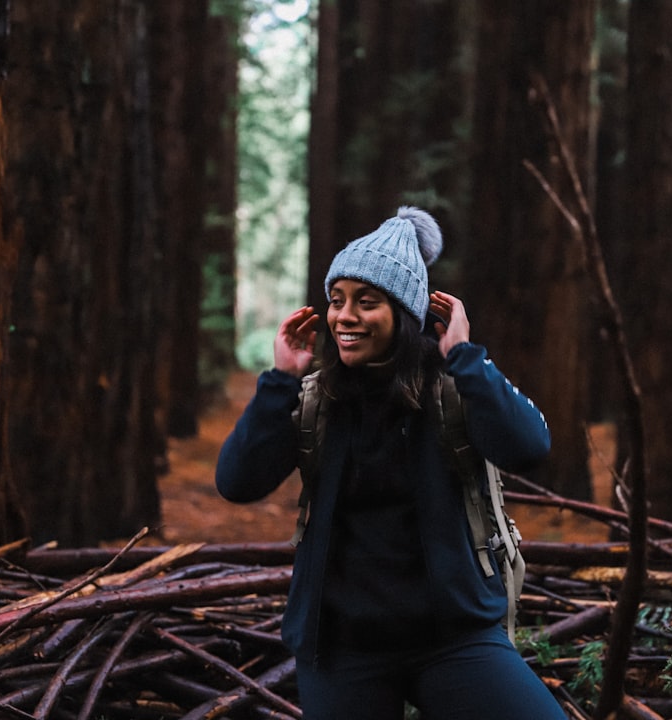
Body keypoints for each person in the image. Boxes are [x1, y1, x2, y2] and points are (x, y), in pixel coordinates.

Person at [216, 207, 568, 720]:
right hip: (342, 650)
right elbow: (237, 481)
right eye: (337, 301)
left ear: (404, 312)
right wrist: (279, 379)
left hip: (453, 638)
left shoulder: (452, 389)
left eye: (366, 302)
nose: (344, 316)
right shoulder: (318, 398)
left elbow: (529, 446)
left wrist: (467, 356)